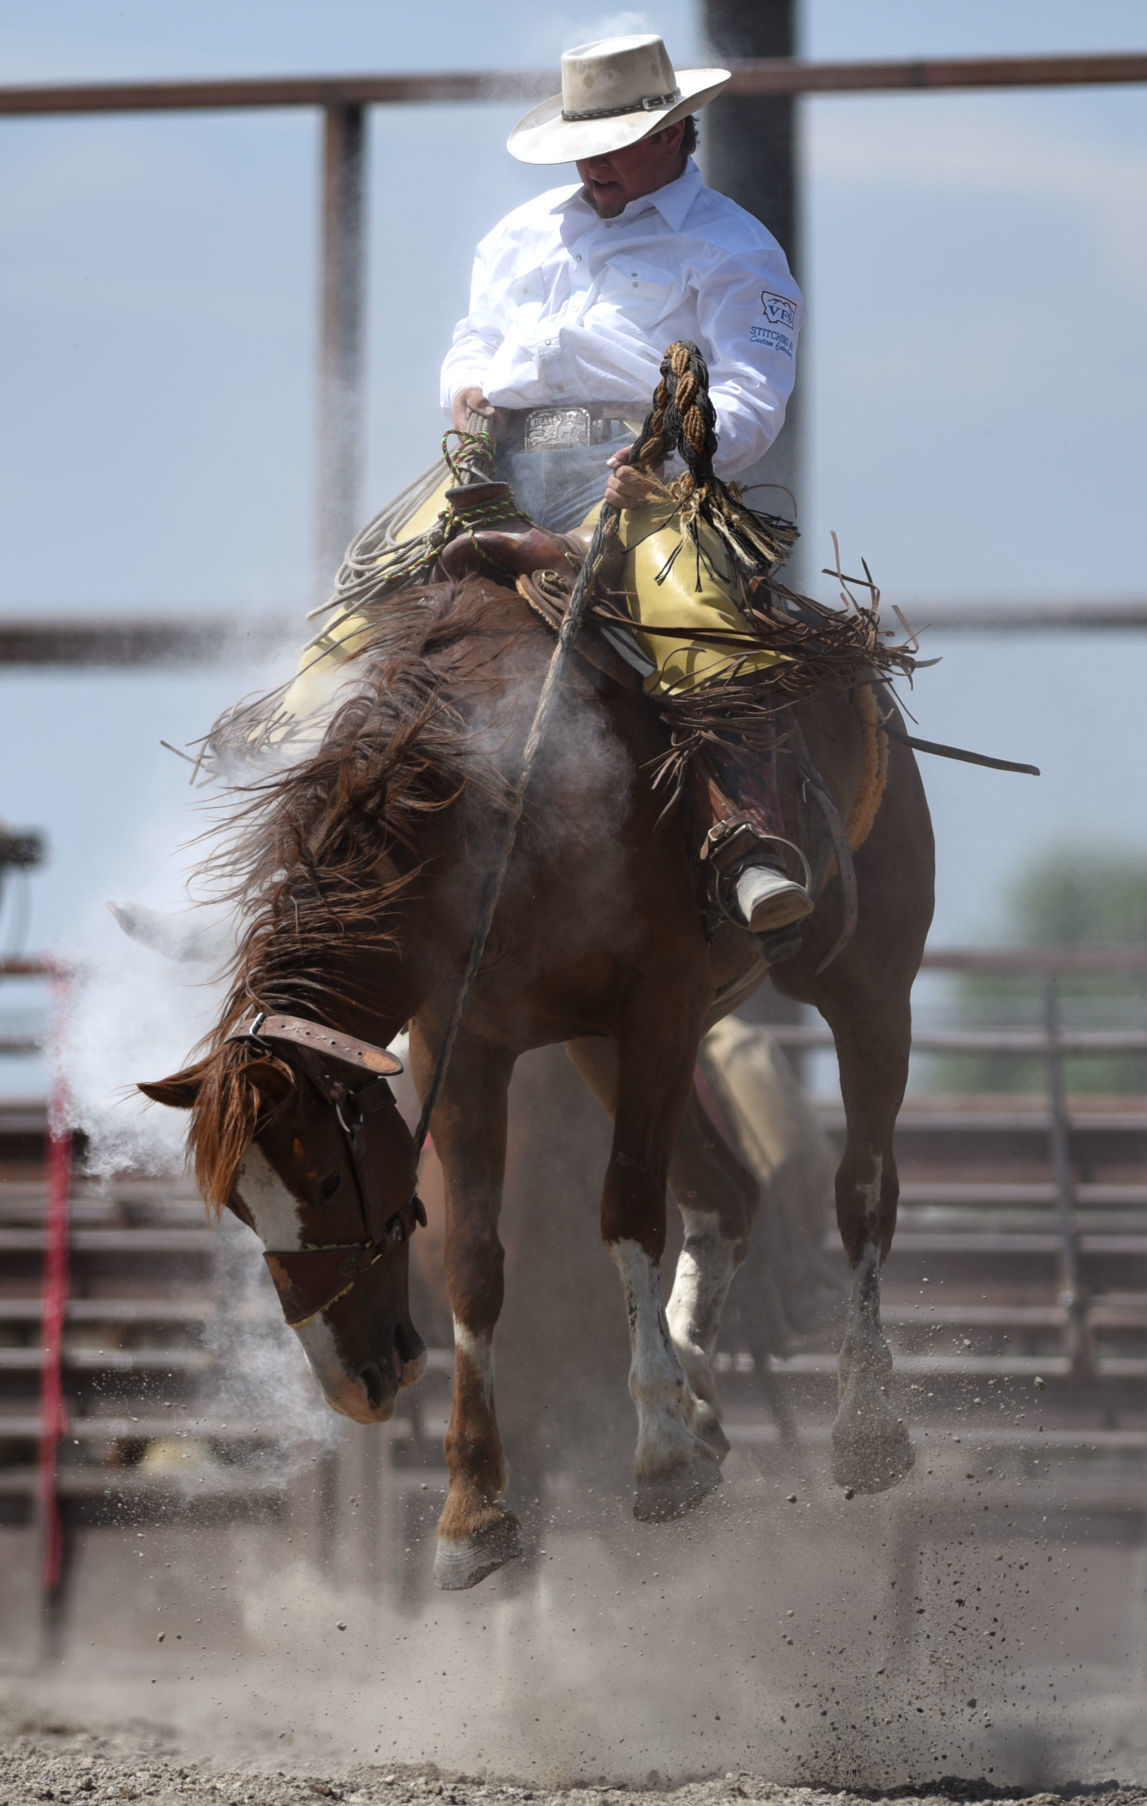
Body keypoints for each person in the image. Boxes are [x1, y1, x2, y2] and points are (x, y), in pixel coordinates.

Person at [440, 32, 812, 936]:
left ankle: (744, 834)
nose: (595, 163)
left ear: (677, 133)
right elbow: (472, 339)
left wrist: (669, 461)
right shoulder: (519, 235)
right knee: (368, 592)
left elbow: (750, 400)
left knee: (692, 611)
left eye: (617, 140)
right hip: (500, 461)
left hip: (644, 474)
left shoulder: (732, 245)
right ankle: (298, 783)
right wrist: (462, 395)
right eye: (583, 146)